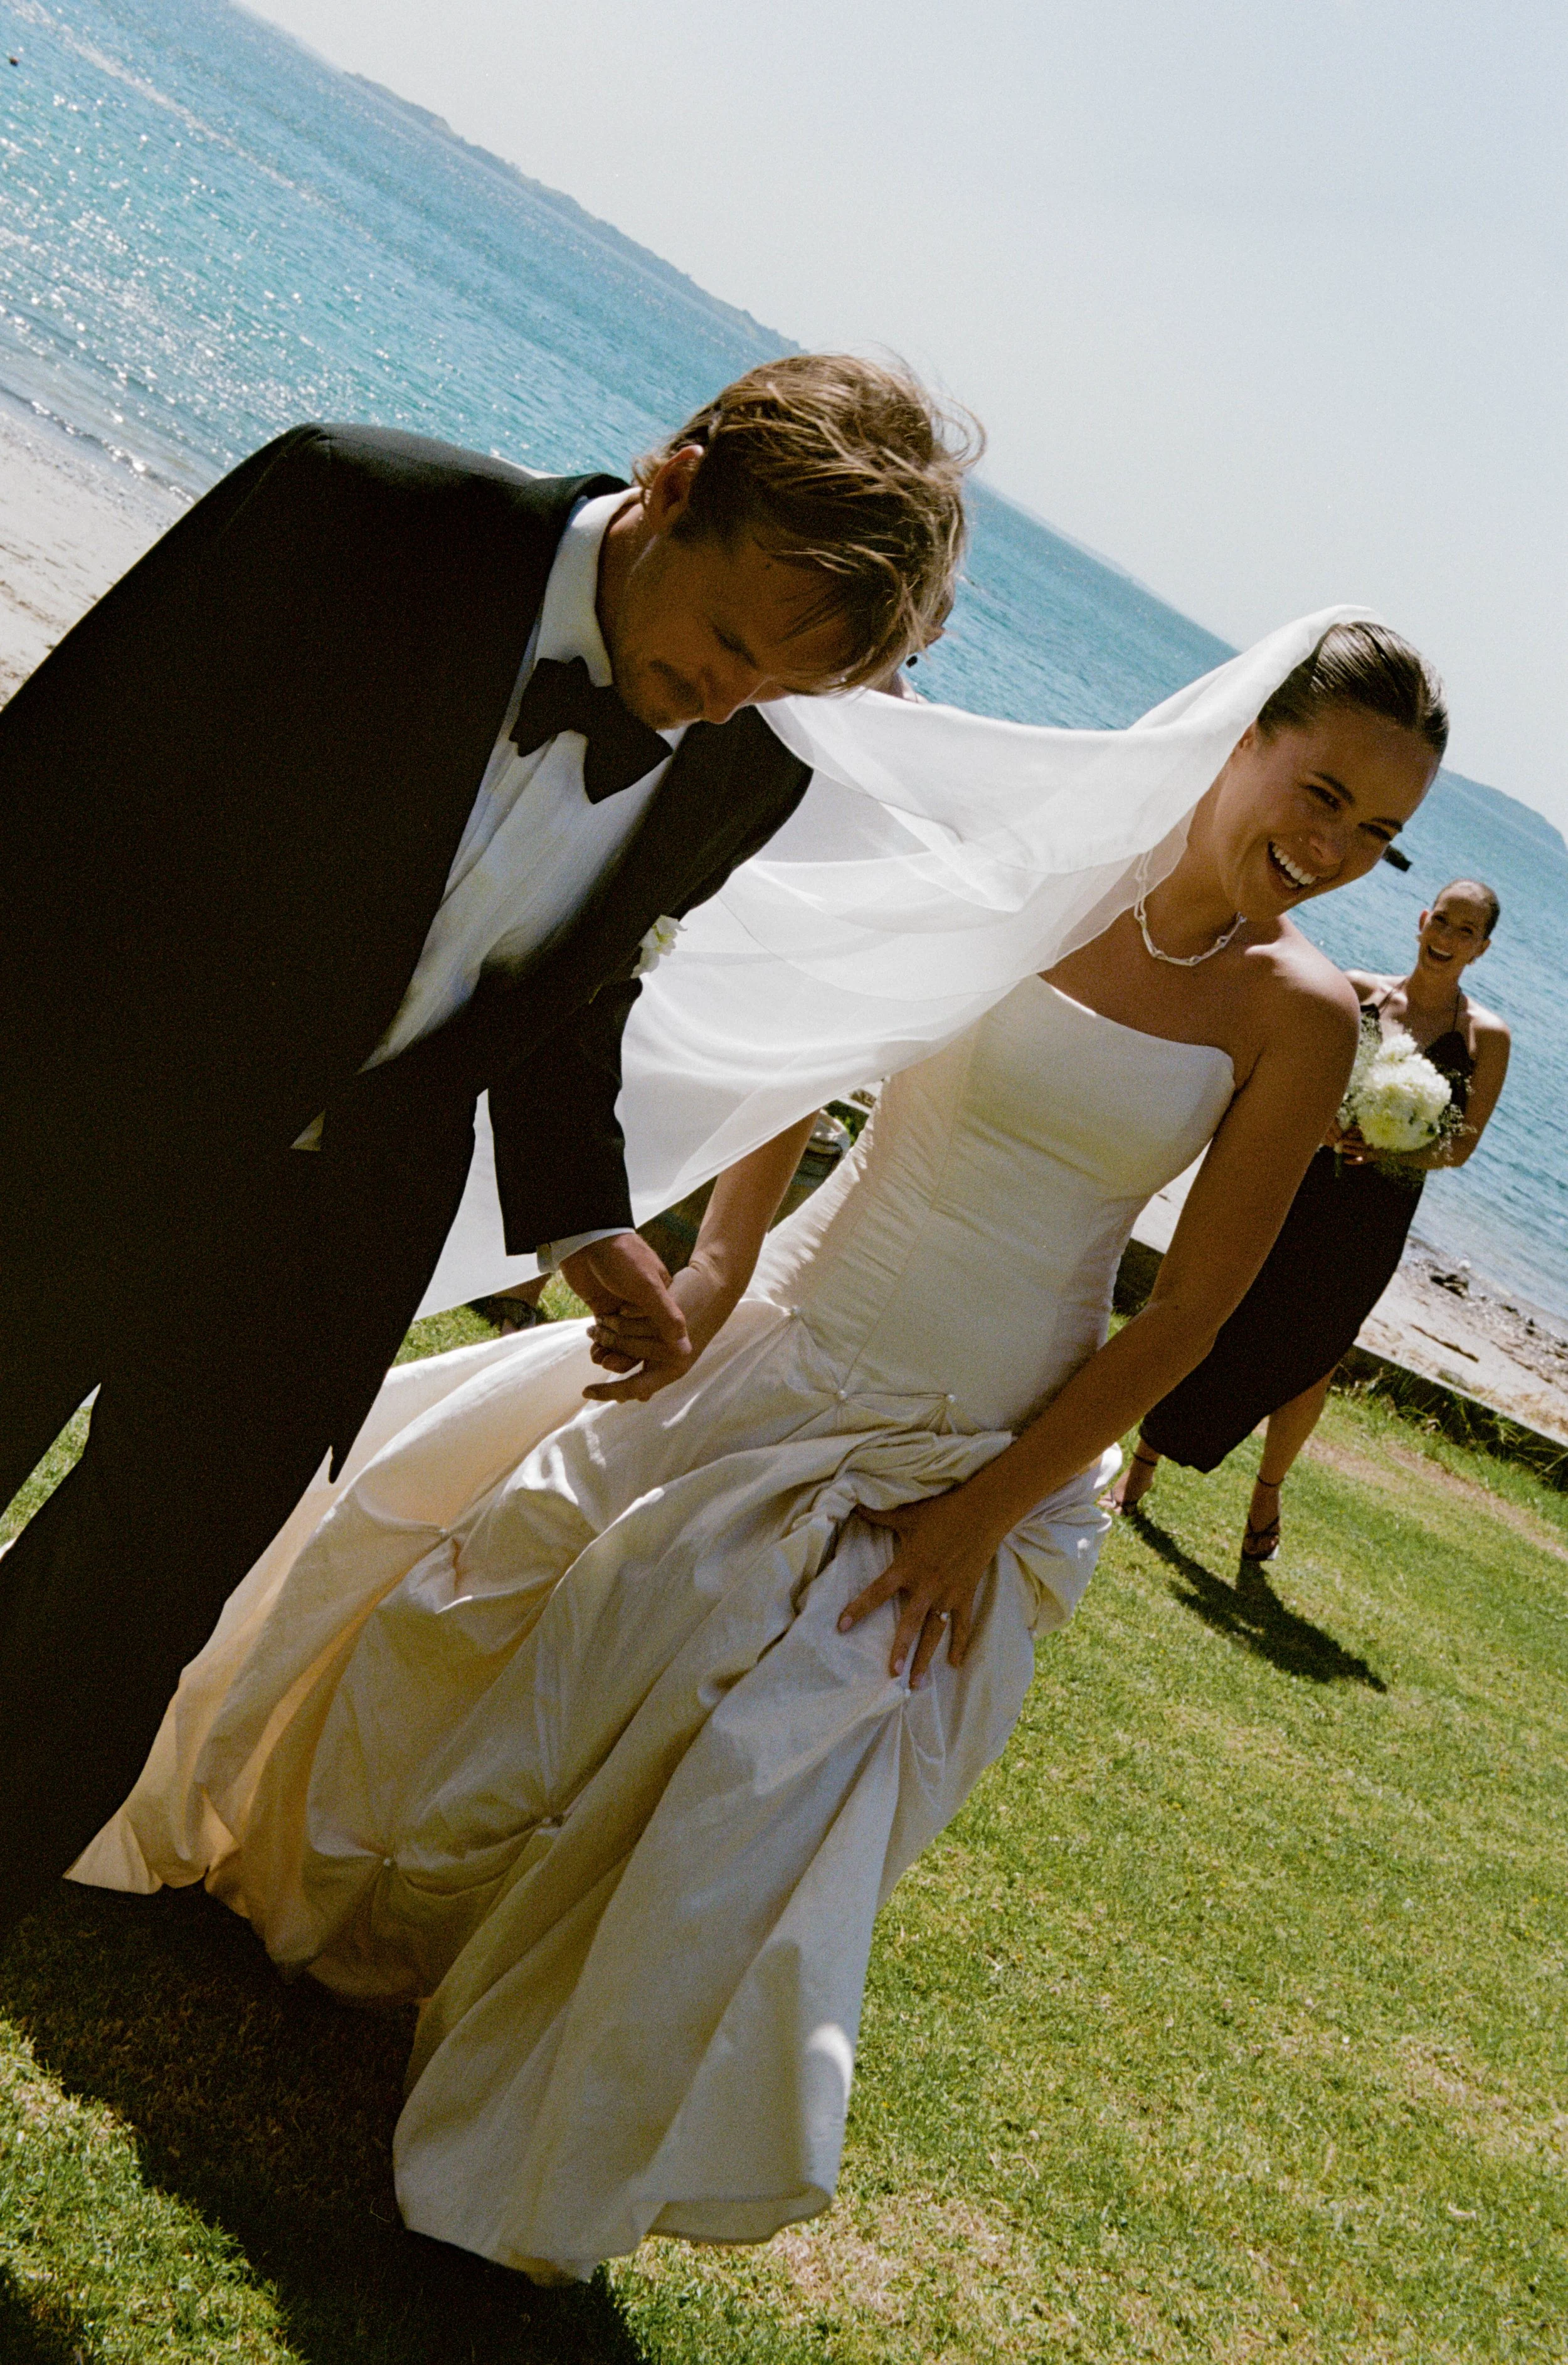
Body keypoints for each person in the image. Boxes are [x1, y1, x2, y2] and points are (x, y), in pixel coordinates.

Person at [75, 617, 1443, 2280]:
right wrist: (718, 1267)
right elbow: (829, 1042)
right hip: (790, 1318)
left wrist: (975, 1519)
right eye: (1322, 792)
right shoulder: (1025, 873)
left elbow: (1184, 1322)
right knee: (504, 1587)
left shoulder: (1294, 1016)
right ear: (1242, 734)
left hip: (970, 1429)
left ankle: (539, 2111)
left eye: (1376, 834)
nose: (1335, 850)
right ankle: (328, 1909)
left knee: (738, 1778)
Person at [0, 354, 977, 1929]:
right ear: (671, 483)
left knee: (105, 1650)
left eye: (776, 684)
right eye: (726, 641)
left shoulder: (750, 755)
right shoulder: (353, 508)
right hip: (69, 1132)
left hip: (321, 1245)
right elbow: (54, 778)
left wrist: (587, 1218)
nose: (724, 700)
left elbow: (565, 990)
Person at [1110, 876, 1510, 1556]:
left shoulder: (1485, 1036)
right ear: (1421, 919)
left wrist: (1392, 1144)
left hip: (1374, 1216)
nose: (1445, 937)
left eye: (1463, 931)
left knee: (1316, 1356)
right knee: (1220, 1310)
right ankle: (1144, 1458)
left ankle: (1265, 1493)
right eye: (1441, 919)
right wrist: (1324, 1127)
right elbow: (1293, 1077)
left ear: (1481, 947)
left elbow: (1461, 1144)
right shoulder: (1356, 991)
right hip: (1298, 1182)